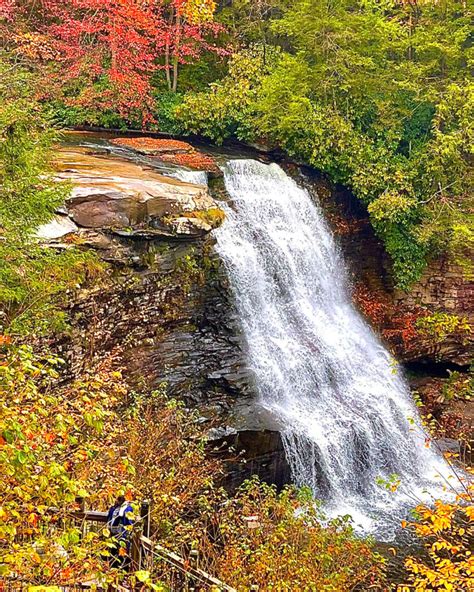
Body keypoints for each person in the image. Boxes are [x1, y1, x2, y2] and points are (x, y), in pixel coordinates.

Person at [106, 495, 134, 569]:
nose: (117, 501)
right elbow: (109, 517)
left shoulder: (127, 508)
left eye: (119, 500)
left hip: (122, 534)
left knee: (122, 552)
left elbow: (129, 521)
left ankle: (122, 569)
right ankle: (112, 567)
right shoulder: (114, 508)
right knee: (113, 551)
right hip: (113, 533)